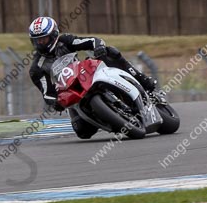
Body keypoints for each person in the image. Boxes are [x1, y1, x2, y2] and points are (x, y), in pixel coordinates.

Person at [27, 16, 158, 139]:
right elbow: (47, 93)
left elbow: (90, 41)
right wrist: (55, 102)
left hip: (85, 73)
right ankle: (112, 120)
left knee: (110, 52)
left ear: (54, 35)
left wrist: (99, 46)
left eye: (43, 39)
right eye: (36, 40)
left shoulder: (65, 41)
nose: (40, 43)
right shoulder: (36, 68)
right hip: (70, 91)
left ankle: (143, 81)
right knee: (83, 132)